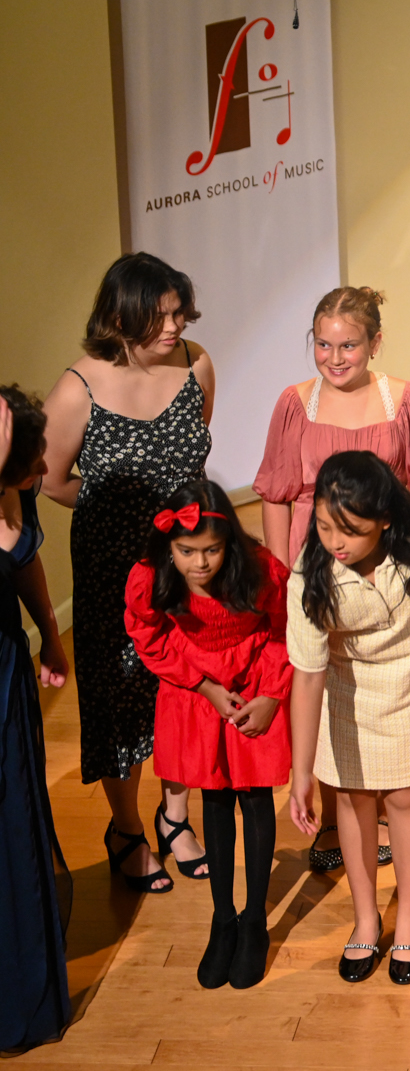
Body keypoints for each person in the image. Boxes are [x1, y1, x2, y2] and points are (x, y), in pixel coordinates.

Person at [40, 253, 216, 890]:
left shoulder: (196, 364)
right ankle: (125, 828)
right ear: (119, 316)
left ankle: (175, 817)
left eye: (179, 313)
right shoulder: (77, 388)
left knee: (183, 689)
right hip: (113, 567)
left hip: (188, 562)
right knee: (120, 697)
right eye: (159, 316)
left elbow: (192, 457)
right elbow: (51, 480)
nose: (173, 327)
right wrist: (118, 517)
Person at [286, 451, 410, 986]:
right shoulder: (310, 578)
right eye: (325, 526)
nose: (335, 541)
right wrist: (301, 773)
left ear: (385, 520)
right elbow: (307, 678)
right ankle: (366, 917)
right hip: (347, 697)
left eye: (350, 529)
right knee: (353, 799)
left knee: (406, 798)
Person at [254, 285, 410, 873]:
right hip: (315, 561)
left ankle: (384, 802)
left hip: (384, 561)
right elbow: (276, 490)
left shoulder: (404, 399)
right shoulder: (295, 402)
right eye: (323, 345)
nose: (334, 357)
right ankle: (334, 812)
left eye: (348, 345)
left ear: (375, 342)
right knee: (321, 684)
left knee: (377, 685)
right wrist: (281, 572)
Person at [124, 481, 293, 990]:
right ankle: (223, 919)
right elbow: (147, 634)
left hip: (254, 684)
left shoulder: (260, 569)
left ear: (228, 542)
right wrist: (204, 686)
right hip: (197, 691)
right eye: (187, 552)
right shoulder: (152, 577)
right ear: (169, 548)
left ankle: (255, 920)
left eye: (212, 551)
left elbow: (286, 626)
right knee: (214, 797)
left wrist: (271, 694)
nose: (200, 563)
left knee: (255, 797)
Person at [0, 387, 72, 1052]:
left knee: (15, 818)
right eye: (32, 455)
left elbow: (24, 566)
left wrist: (51, 636)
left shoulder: (16, 491)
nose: (46, 466)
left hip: (5, 671)